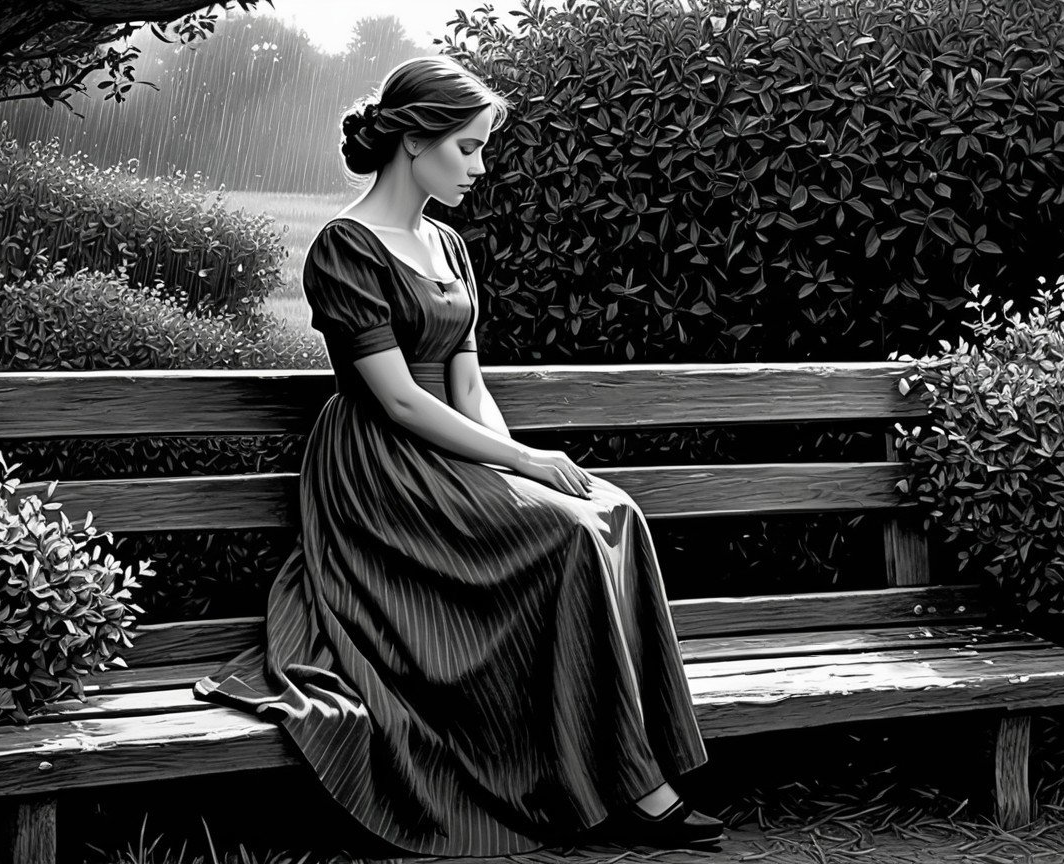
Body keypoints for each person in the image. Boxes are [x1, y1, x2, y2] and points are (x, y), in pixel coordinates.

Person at [194, 54, 722, 857]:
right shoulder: (344, 248)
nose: (478, 168)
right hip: (384, 467)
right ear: (414, 140)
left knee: (613, 512)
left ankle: (629, 763)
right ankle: (634, 792)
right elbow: (400, 399)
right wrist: (526, 469)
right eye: (466, 148)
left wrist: (513, 461)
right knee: (570, 534)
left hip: (455, 449)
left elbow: (469, 385)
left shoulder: (446, 243)